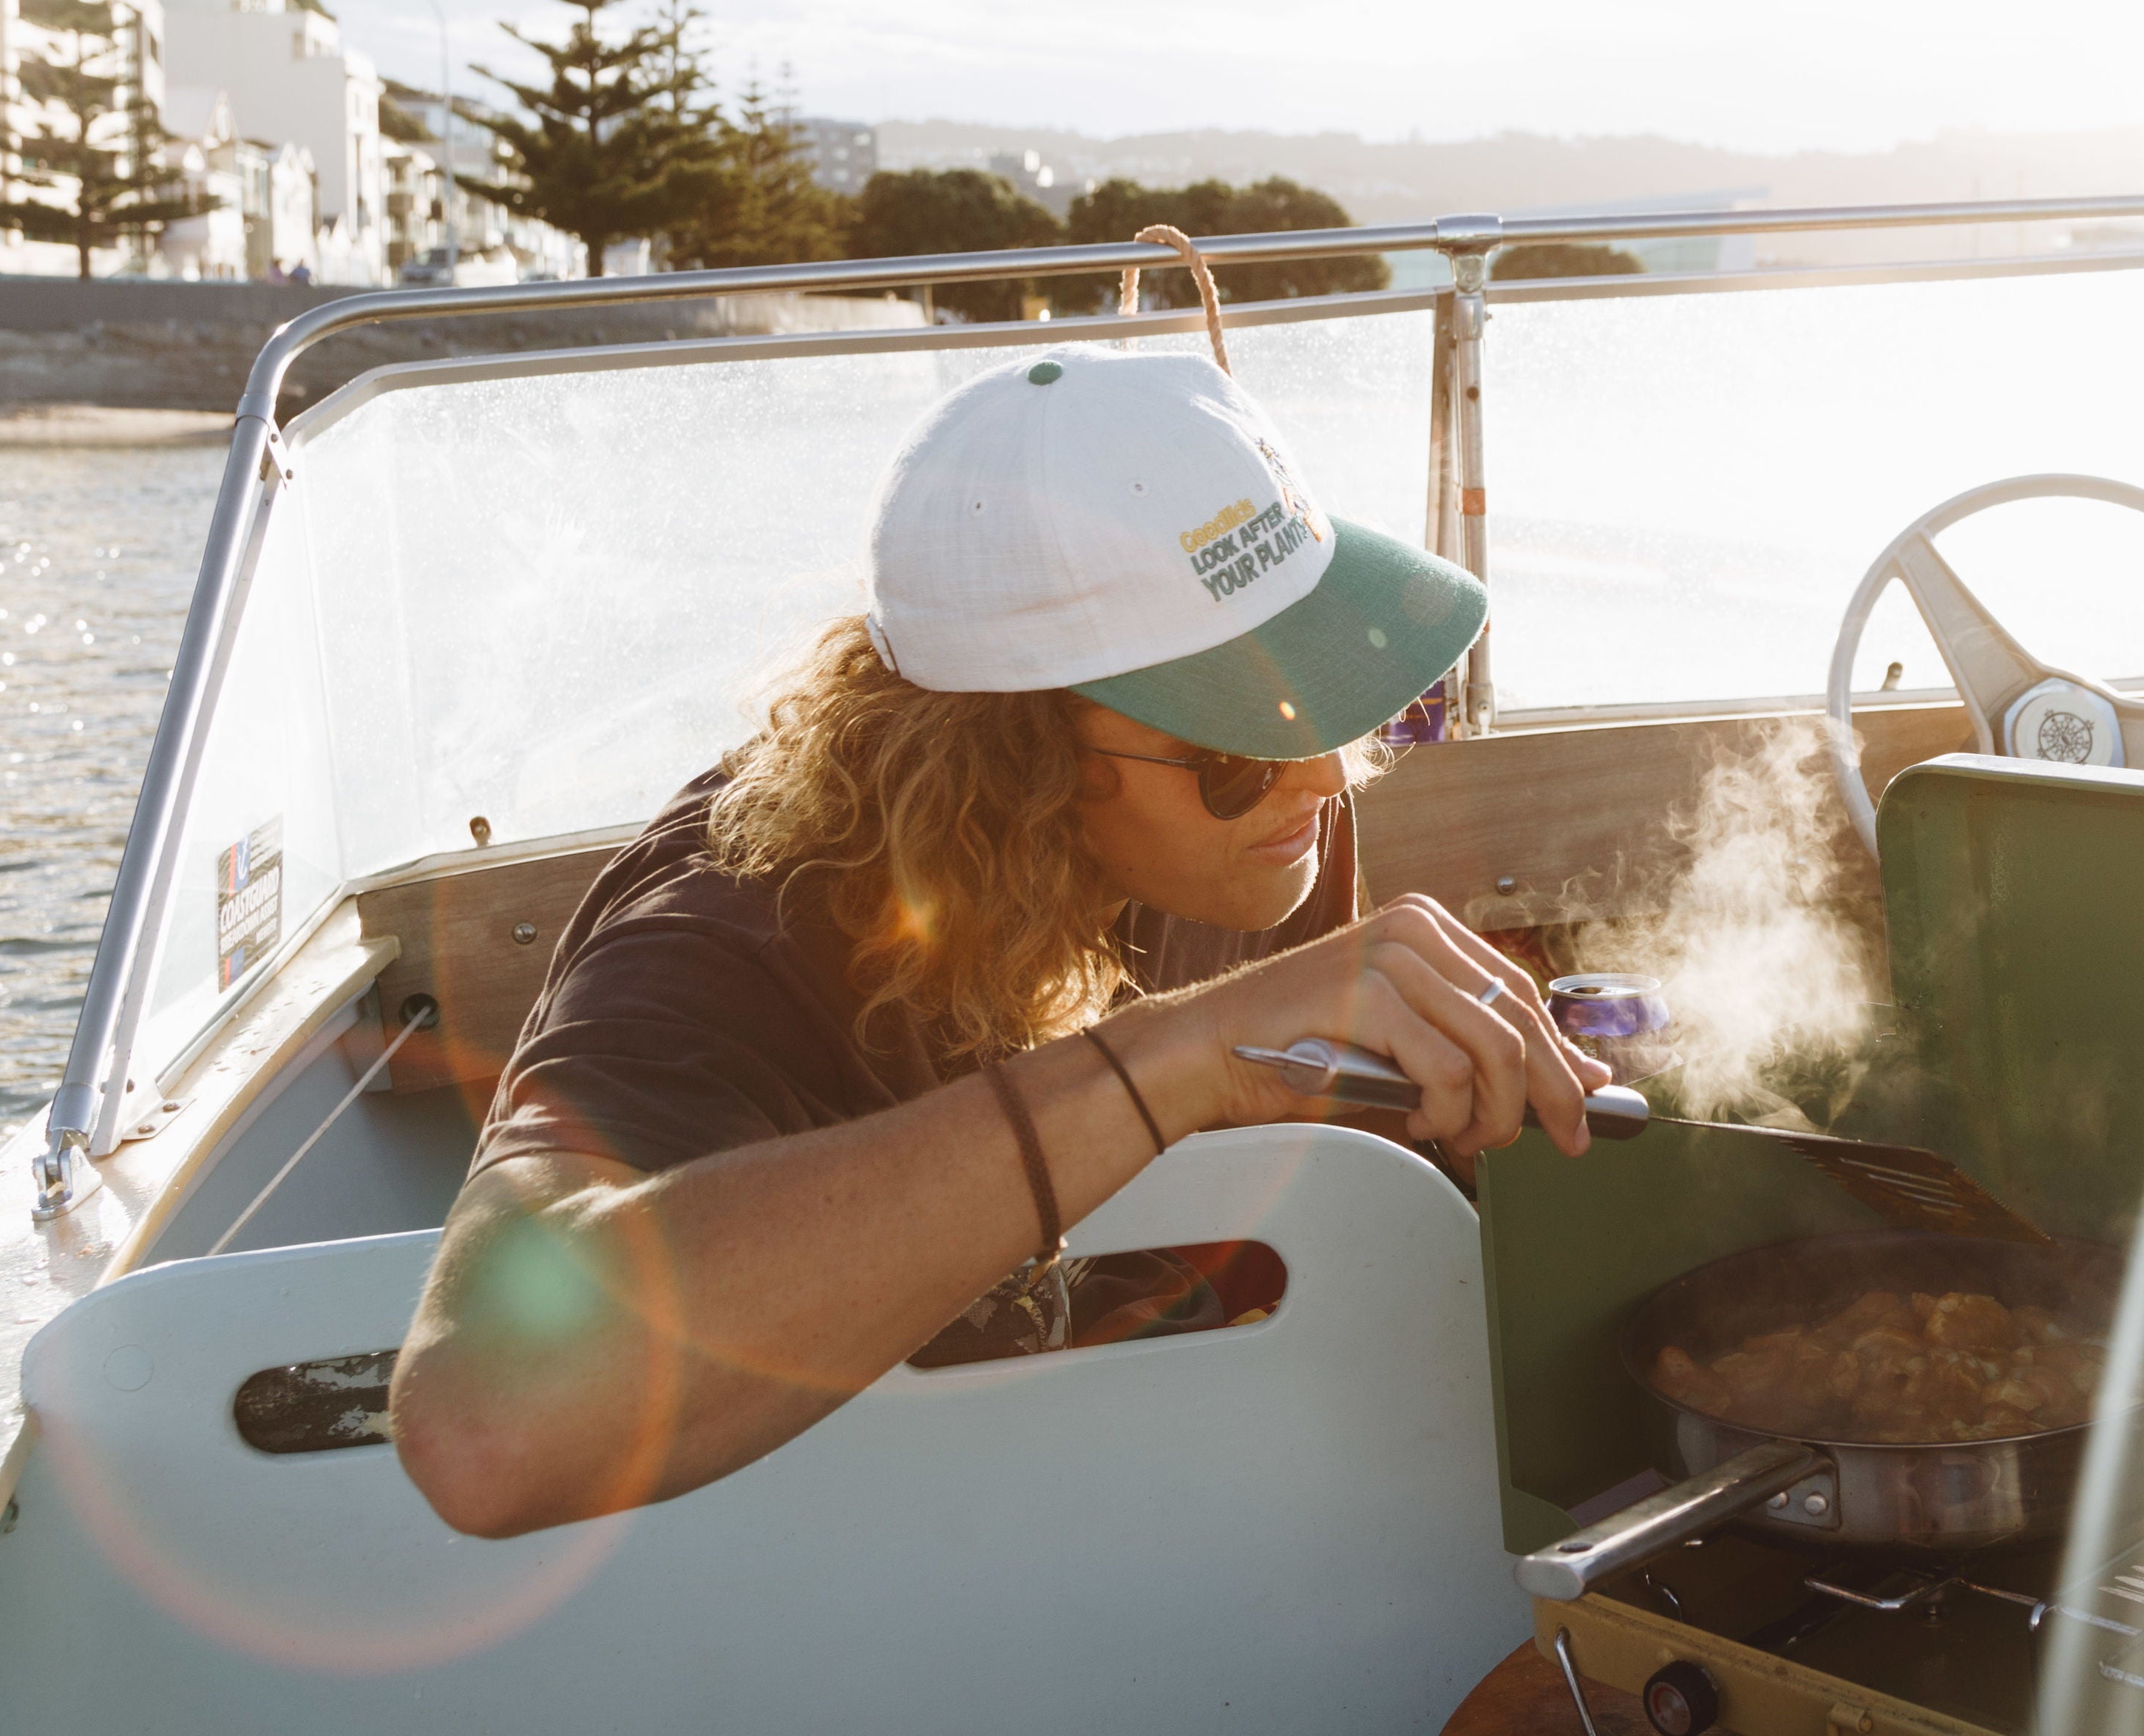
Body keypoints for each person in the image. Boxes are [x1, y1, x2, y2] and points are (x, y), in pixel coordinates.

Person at [389, 342, 1605, 1539]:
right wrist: (1170, 1060)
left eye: (1339, 698)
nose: (1330, 779)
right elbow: (488, 1425)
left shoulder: (1256, 843)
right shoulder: (721, 947)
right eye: (1241, 747)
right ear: (1013, 758)